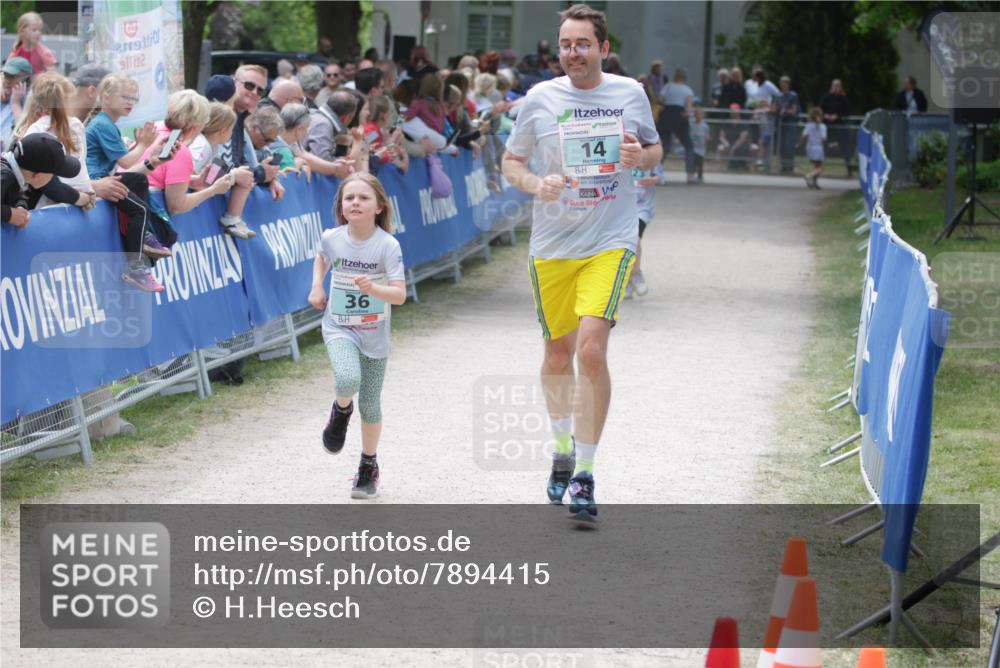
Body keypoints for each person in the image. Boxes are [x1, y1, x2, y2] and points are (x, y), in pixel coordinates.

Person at [501, 3, 661, 524]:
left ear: (603, 48)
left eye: (583, 44)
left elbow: (655, 150)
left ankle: (586, 474)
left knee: (591, 350)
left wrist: (640, 157)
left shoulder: (629, 93)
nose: (573, 53)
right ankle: (562, 447)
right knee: (557, 354)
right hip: (553, 245)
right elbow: (511, 161)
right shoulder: (540, 99)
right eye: (566, 44)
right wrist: (535, 183)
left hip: (611, 239)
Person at [307, 173, 406, 499]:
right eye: (349, 198)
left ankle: (368, 466)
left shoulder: (388, 245)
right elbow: (322, 257)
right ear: (341, 206)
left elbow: (399, 295)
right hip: (339, 326)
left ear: (379, 207)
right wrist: (317, 286)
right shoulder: (332, 238)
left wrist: (373, 288)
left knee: (371, 404)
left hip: (374, 334)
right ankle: (340, 410)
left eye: (363, 198)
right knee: (347, 379)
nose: (355, 203)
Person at [141, 90, 235, 221]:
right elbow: (176, 206)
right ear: (197, 126)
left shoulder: (155, 129)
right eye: (205, 122)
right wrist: (213, 190)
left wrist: (193, 181)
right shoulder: (179, 150)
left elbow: (162, 173)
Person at [12, 72, 95, 211]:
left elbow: (34, 177)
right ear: (67, 99)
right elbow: (82, 162)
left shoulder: (35, 130)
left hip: (52, 205)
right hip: (79, 198)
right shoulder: (76, 125)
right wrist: (85, 193)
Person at [2, 133, 81, 228]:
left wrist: (20, 207)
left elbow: (14, 195)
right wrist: (10, 214)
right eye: (53, 174)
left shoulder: (16, 175)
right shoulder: (5, 175)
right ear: (37, 176)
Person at [625, 159, 662, 300]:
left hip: (643, 206)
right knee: (625, 243)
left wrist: (652, 180)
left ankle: (636, 274)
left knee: (636, 239)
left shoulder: (650, 153)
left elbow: (660, 175)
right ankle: (627, 281)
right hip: (623, 206)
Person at [658, 67, 696, 184]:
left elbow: (660, 100)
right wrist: (687, 114)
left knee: (665, 146)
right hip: (680, 116)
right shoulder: (688, 90)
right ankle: (690, 176)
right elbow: (688, 109)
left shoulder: (668, 86)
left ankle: (656, 173)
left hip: (667, 114)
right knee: (689, 145)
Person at [820, 78, 852, 175]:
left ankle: (849, 168)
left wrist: (837, 116)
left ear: (840, 87)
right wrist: (825, 115)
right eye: (834, 85)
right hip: (827, 126)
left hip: (840, 125)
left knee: (845, 147)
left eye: (838, 86)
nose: (835, 88)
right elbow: (821, 108)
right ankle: (819, 169)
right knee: (823, 147)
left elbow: (847, 110)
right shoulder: (826, 97)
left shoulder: (843, 98)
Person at [1, 57, 32, 151]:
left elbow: (24, 135)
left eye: (12, 76)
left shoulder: (30, 103)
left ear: (26, 80)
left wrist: (15, 103)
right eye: (6, 75)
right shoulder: (3, 98)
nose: (7, 80)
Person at [797, 107, 826, 189]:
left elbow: (803, 136)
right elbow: (823, 138)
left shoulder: (809, 125)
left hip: (810, 147)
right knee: (821, 167)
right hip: (818, 148)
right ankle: (809, 175)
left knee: (816, 166)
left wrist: (799, 144)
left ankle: (814, 183)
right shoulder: (822, 126)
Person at [776, 75, 799, 174]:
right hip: (782, 123)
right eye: (781, 82)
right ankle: (784, 166)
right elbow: (777, 109)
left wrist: (785, 111)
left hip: (790, 123)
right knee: (782, 146)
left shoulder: (793, 95)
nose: (783, 85)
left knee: (789, 145)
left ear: (788, 84)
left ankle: (790, 166)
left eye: (785, 83)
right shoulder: (779, 96)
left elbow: (794, 110)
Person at [689, 99, 708, 182]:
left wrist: (706, 140)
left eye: (700, 114)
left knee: (700, 164)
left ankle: (700, 177)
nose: (698, 116)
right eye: (696, 114)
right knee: (693, 163)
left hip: (701, 148)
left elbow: (706, 136)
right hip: (694, 148)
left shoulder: (705, 126)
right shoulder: (692, 125)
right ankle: (692, 176)